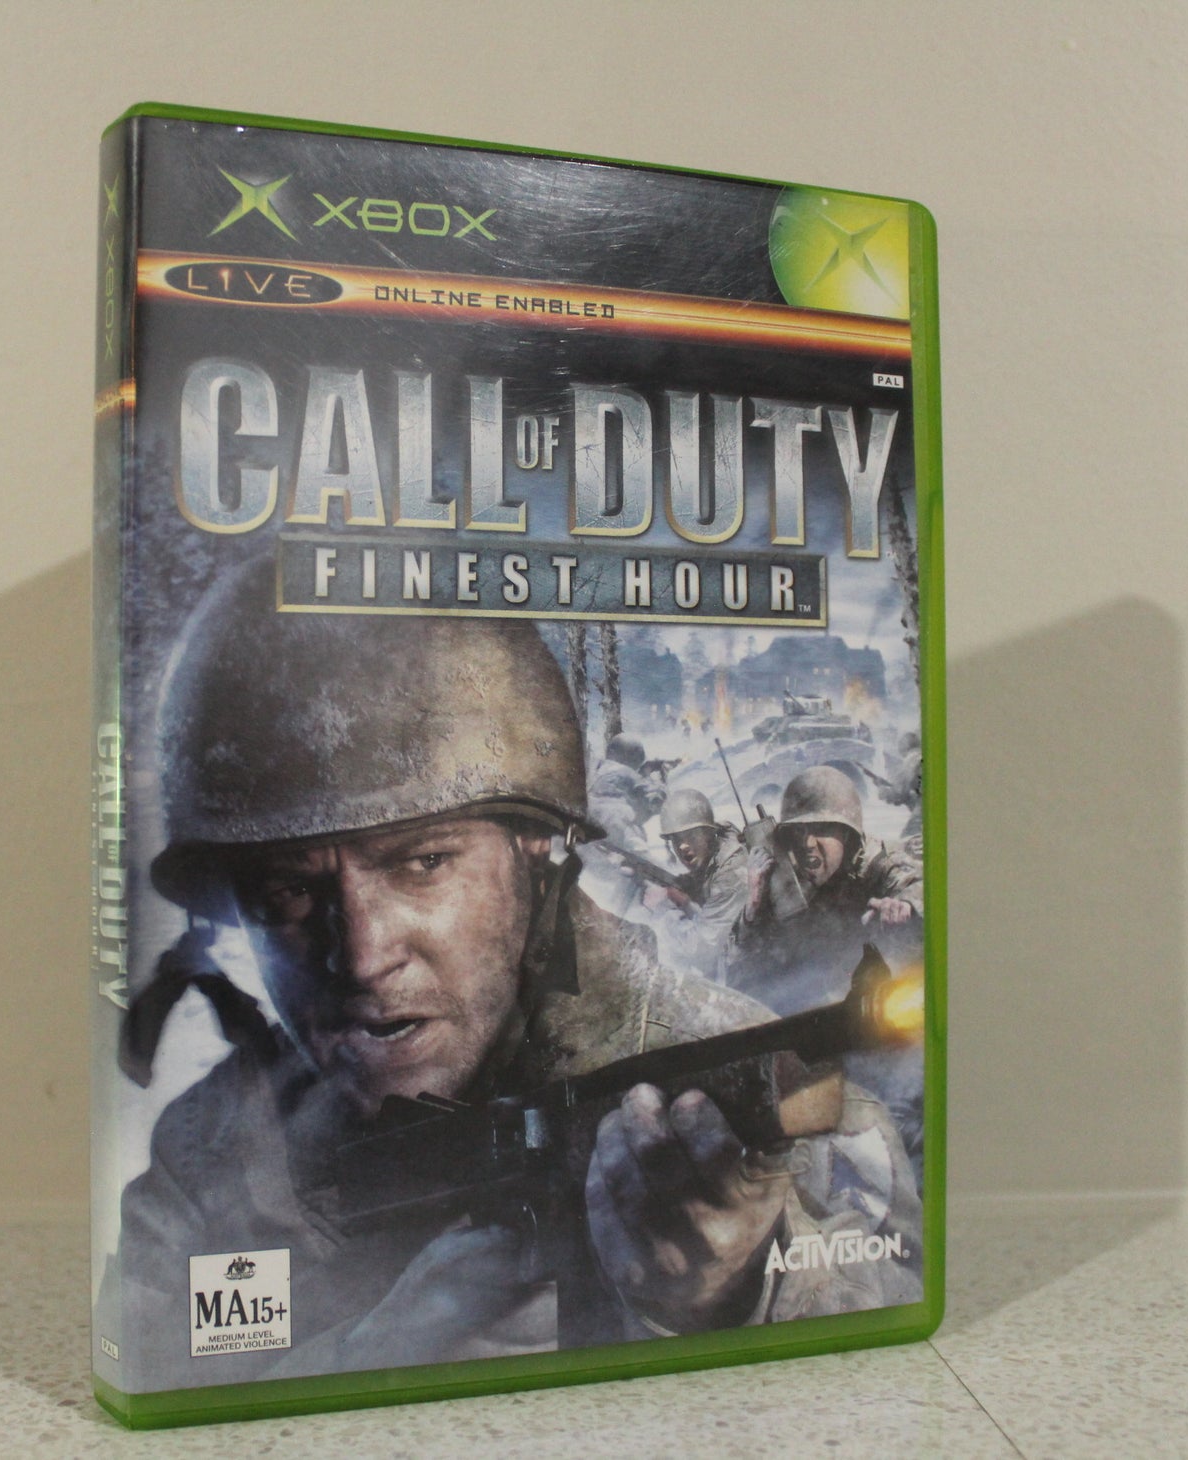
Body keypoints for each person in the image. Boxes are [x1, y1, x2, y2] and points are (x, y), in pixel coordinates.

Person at [97, 558, 920, 1394]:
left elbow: (902, 1323)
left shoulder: (743, 1078)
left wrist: (741, 1296)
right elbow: (157, 1372)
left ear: (533, 847)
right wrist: (375, 1357)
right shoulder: (215, 1157)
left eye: (424, 862)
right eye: (287, 892)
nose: (364, 956)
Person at [726, 766, 924, 1016]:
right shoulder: (787, 884)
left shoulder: (877, 863)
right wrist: (754, 906)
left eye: (821, 829)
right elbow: (736, 980)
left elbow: (915, 885)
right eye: (798, 832)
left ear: (847, 834)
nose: (807, 843)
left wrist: (905, 906)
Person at [640, 788, 748, 980]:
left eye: (691, 836)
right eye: (675, 840)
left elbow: (701, 951)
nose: (682, 846)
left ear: (709, 833)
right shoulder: (717, 857)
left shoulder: (730, 874)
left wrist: (661, 910)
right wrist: (678, 894)